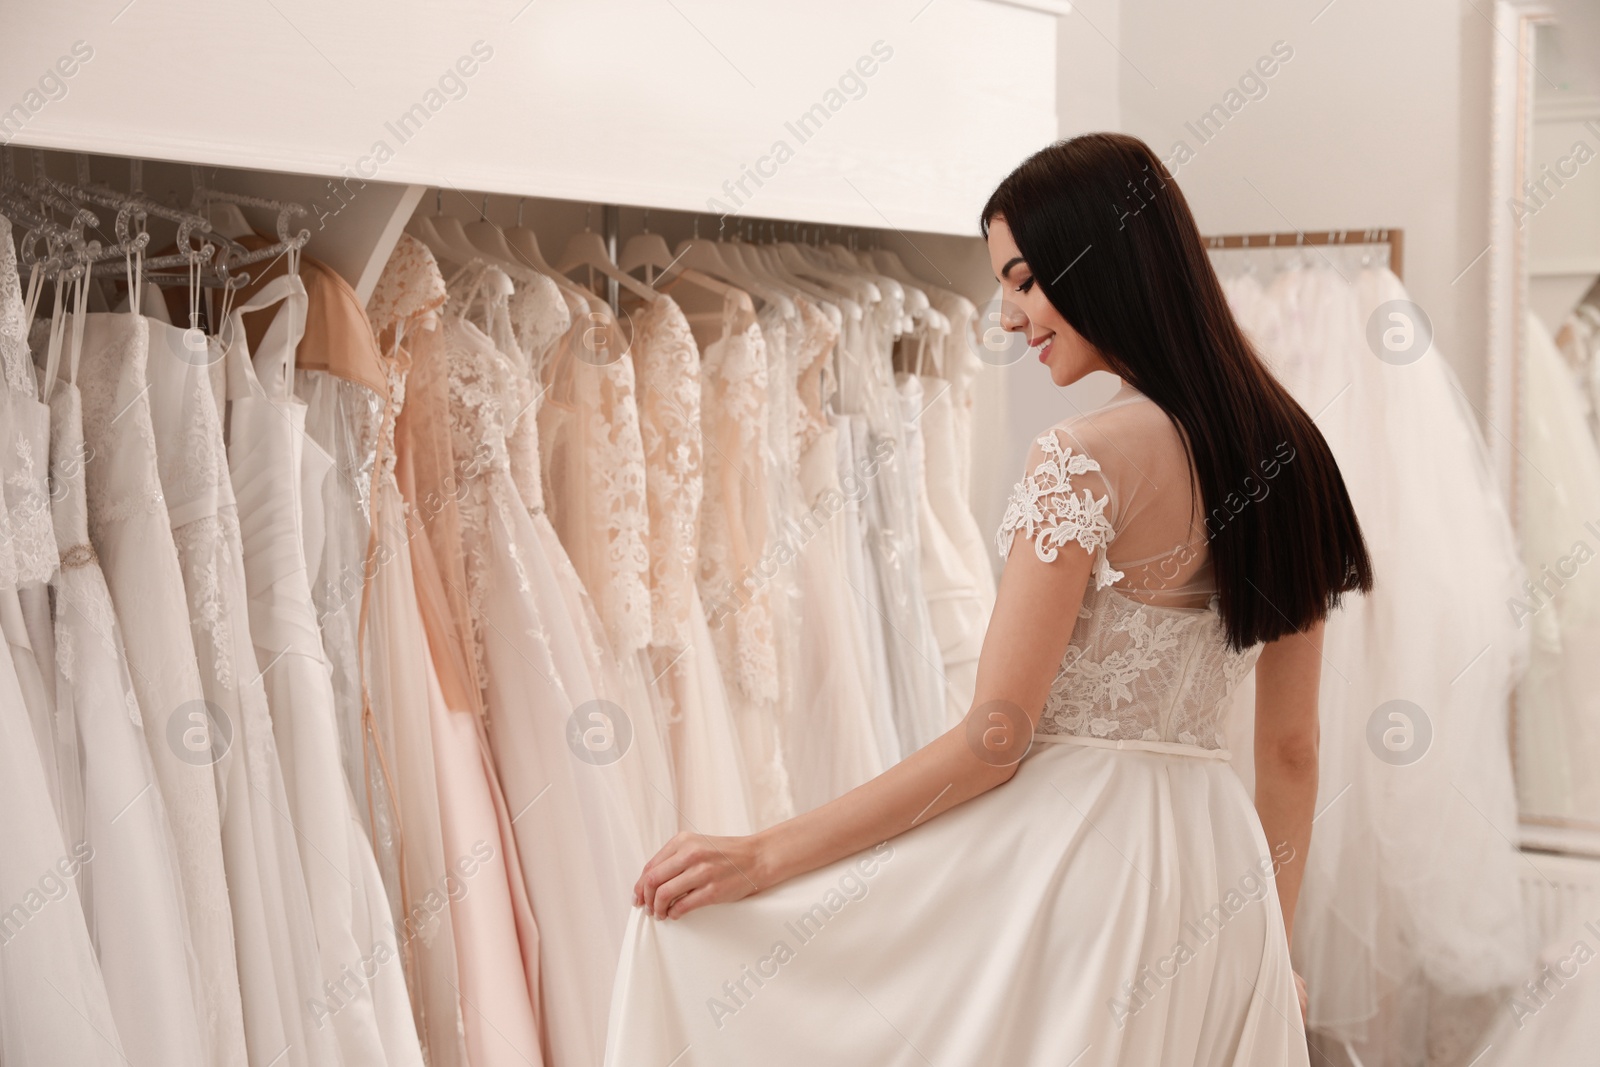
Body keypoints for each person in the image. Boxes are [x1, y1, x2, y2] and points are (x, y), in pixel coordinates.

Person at [606, 132, 1373, 1066]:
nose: (1010, 317)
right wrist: (1272, 948)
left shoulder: (1083, 459)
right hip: (1220, 875)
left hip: (1077, 870)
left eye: (1024, 281)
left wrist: (767, 854)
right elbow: (1291, 753)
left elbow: (993, 742)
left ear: (1098, 261)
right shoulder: (1295, 452)